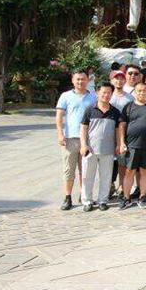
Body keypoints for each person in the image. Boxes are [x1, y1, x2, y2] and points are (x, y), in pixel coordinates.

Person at [56, 69, 97, 210]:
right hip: (70, 138)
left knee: (84, 170)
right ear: (73, 80)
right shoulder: (65, 96)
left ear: (88, 80)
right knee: (69, 169)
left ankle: (83, 195)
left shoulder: (93, 97)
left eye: (83, 79)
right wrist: (60, 134)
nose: (80, 81)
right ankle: (67, 197)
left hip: (87, 139)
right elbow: (59, 116)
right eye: (77, 79)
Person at [79, 83, 121, 212]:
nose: (106, 95)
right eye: (103, 92)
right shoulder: (90, 109)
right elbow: (83, 128)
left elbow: (118, 130)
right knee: (87, 176)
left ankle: (103, 200)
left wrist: (119, 144)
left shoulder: (115, 112)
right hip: (90, 150)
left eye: (109, 93)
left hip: (108, 150)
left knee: (106, 177)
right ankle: (87, 201)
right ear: (97, 93)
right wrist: (83, 144)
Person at [109, 70, 134, 198]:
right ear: (111, 80)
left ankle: (122, 186)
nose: (119, 81)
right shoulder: (108, 95)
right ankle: (109, 185)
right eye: (116, 78)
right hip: (108, 132)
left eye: (121, 78)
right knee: (108, 160)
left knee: (121, 160)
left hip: (124, 132)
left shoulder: (130, 98)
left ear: (125, 80)